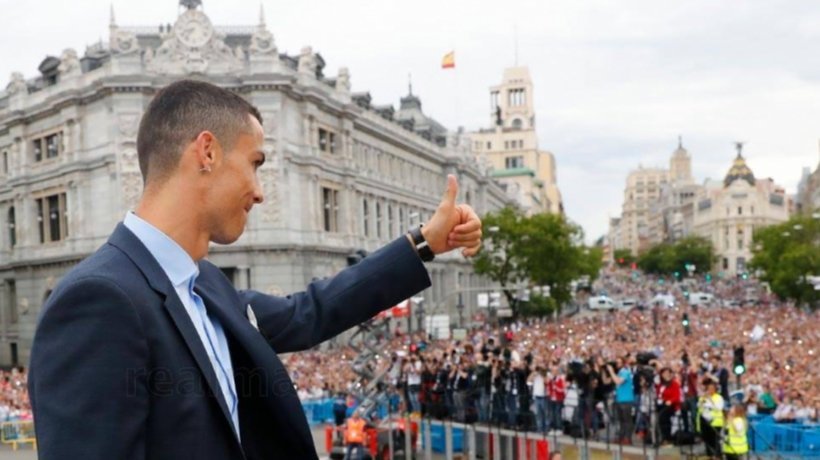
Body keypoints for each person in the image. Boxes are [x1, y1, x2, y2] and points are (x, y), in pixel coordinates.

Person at [28, 80, 483, 460]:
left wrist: (424, 243)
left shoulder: (205, 283)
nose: (260, 191)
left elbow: (309, 312)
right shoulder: (99, 300)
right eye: (255, 163)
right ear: (207, 152)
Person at [607, 357, 635, 445]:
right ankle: (621, 437)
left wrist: (611, 371)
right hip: (619, 399)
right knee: (621, 420)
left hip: (626, 399)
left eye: (619, 363)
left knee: (627, 420)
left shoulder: (625, 372)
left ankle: (627, 438)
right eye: (616, 363)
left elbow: (618, 382)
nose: (617, 364)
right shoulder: (619, 373)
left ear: (623, 363)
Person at [697, 378, 725, 459]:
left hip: (715, 422)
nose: (710, 390)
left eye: (712, 389)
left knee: (715, 440)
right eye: (708, 389)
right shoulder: (703, 397)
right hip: (704, 422)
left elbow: (719, 407)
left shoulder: (718, 397)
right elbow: (698, 406)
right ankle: (710, 455)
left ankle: (717, 456)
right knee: (707, 440)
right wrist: (703, 399)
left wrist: (710, 400)